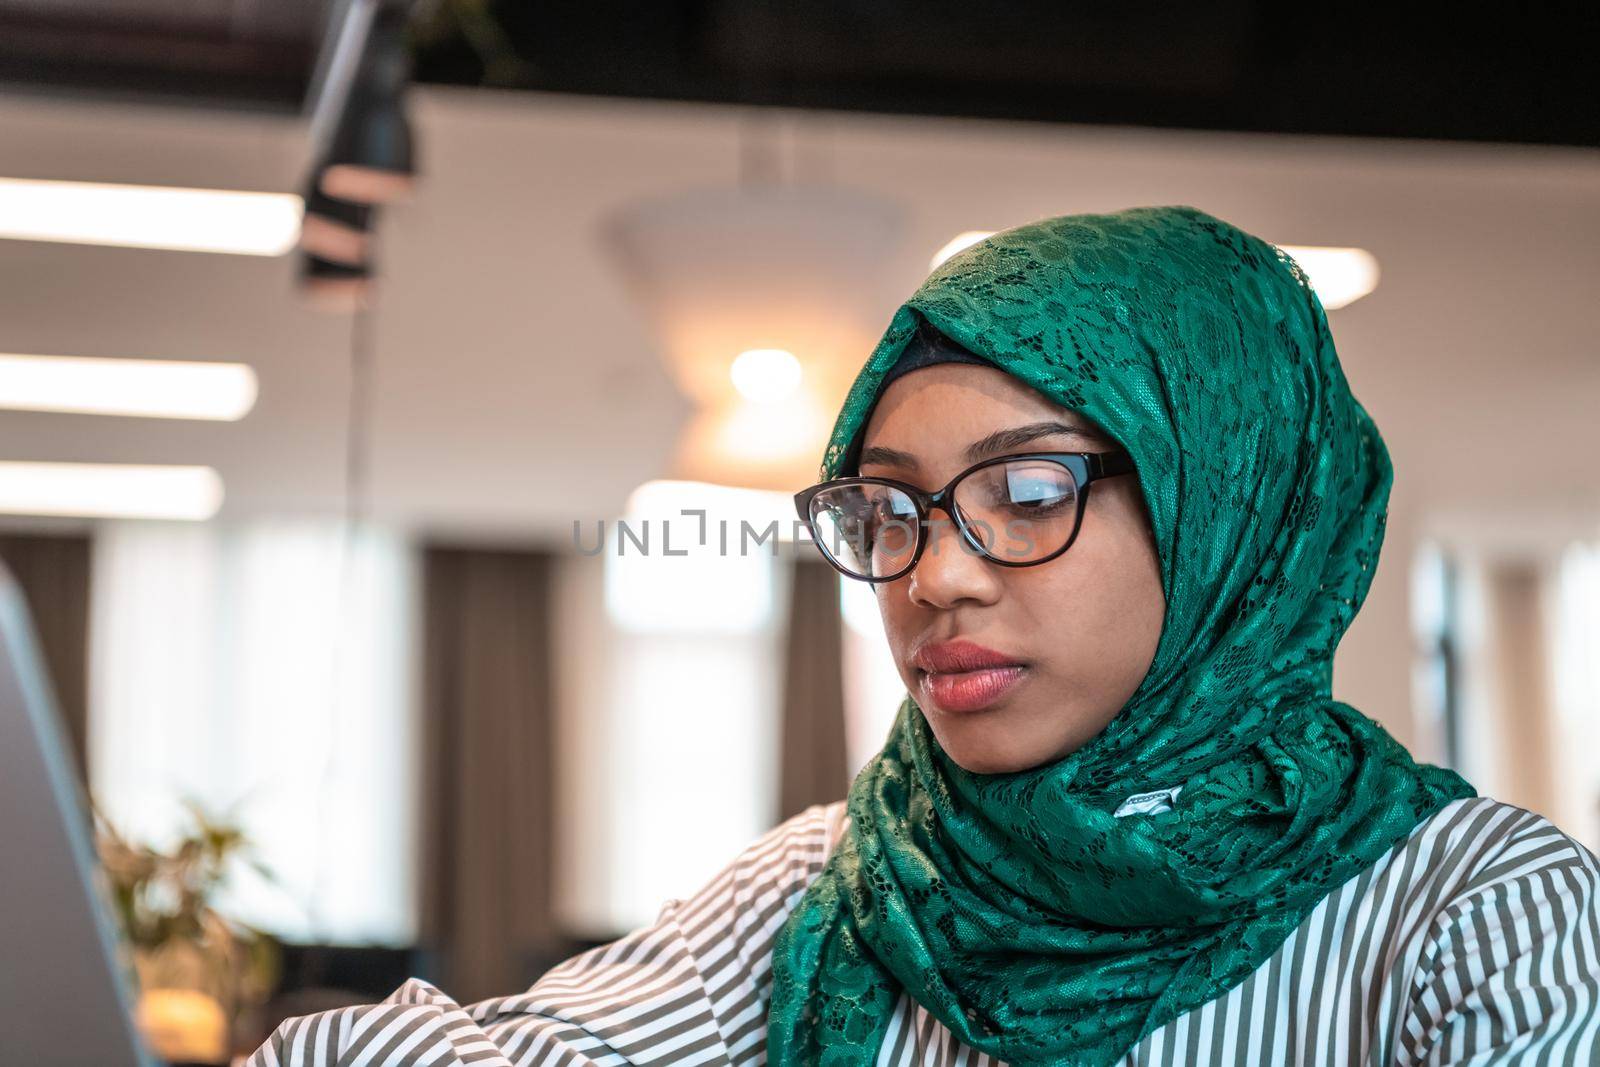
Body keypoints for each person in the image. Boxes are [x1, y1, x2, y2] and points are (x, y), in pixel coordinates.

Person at [244, 206, 1600, 1067]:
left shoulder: (1475, 915)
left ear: (1226, 512)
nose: (932, 578)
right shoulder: (835, 887)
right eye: (887, 511)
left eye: (1023, 493)